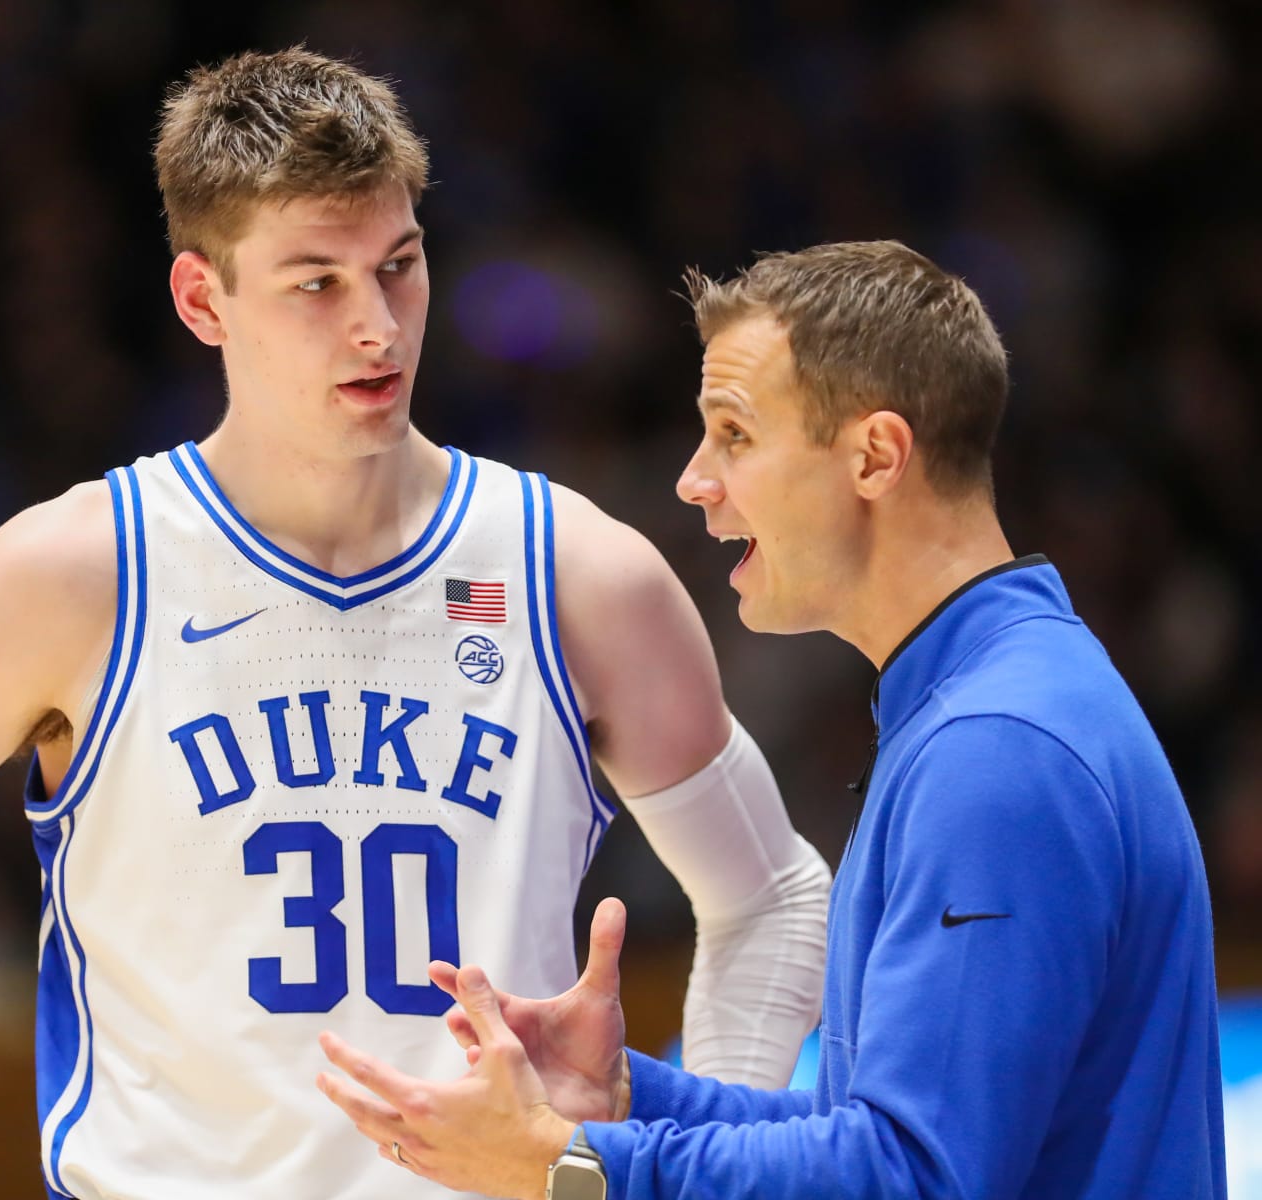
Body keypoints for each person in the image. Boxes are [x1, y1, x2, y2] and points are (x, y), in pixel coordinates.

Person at [0, 49, 831, 1200]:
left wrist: (692, 1165)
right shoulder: (78, 574)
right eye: (317, 283)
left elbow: (775, 895)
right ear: (205, 300)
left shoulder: (579, 577)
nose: (378, 328)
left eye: (398, 268)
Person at [317, 240, 1227, 1199]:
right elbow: (885, 1132)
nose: (695, 480)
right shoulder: (999, 701)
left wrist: (573, 1171)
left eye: (735, 434)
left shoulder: (998, 750)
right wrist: (626, 1098)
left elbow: (916, 1180)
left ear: (875, 456)